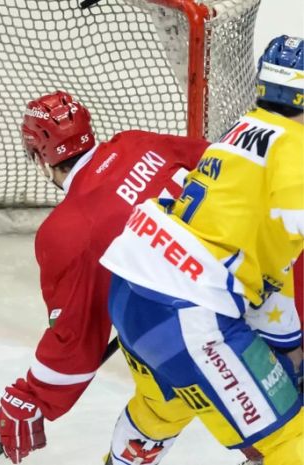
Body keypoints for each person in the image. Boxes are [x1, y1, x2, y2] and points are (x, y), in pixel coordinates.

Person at [99, 35, 304, 465]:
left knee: (167, 403)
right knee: (290, 439)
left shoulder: (238, 133)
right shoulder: (294, 144)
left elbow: (267, 264)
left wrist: (290, 344)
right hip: (190, 313)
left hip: (135, 295)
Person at [0, 90, 211, 463]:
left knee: (164, 402)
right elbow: (216, 163)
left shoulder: (67, 230)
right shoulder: (138, 142)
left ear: (40, 157)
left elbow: (77, 340)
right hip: (258, 284)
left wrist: (34, 396)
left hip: (184, 334)